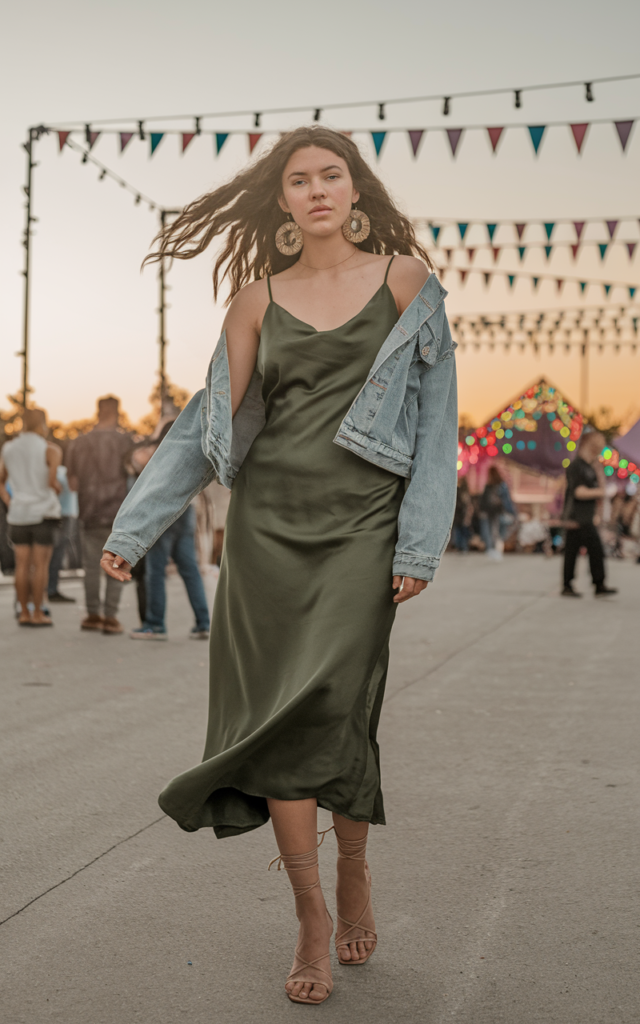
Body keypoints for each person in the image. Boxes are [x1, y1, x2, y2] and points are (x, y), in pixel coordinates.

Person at [100, 127, 458, 1005]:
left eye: (331, 174)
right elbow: (202, 425)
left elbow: (438, 426)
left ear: (355, 190)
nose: (317, 189)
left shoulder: (409, 281)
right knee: (279, 722)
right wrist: (135, 527)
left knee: (335, 702)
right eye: (298, 180)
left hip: (363, 529)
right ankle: (309, 911)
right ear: (285, 204)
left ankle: (356, 868)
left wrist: (420, 541)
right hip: (266, 535)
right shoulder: (255, 300)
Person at [128, 421, 210, 640]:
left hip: (163, 512)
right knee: (190, 569)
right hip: (187, 511)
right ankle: (203, 623)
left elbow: (137, 460)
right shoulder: (193, 450)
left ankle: (155, 625)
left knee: (155, 570)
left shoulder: (161, 451)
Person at [66, 396, 133, 633]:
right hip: (119, 513)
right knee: (119, 564)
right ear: (116, 412)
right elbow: (135, 477)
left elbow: (72, 484)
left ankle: (92, 615)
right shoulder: (126, 441)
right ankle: (110, 618)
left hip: (89, 512)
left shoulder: (79, 443)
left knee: (92, 566)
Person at [0, 408, 62, 626]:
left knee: (22, 565)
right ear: (42, 424)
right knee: (40, 566)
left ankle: (24, 612)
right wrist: (59, 487)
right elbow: (52, 483)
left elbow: (1, 480)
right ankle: (38, 613)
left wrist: (10, 501)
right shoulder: (50, 449)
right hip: (43, 513)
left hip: (18, 514)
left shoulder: (8, 448)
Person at [562, 428, 617, 596]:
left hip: (586, 517)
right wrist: (602, 492)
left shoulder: (590, 466)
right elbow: (579, 492)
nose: (602, 444)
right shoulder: (576, 466)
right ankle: (591, 584)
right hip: (576, 517)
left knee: (580, 551)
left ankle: (574, 585)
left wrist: (599, 470)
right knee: (588, 550)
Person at [47, 464, 79, 602]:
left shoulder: (59, 472)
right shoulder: (61, 473)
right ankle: (51, 590)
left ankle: (50, 588)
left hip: (65, 516)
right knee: (55, 554)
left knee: (56, 554)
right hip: (62, 516)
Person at [479, 465, 516, 560]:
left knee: (492, 531)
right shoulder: (500, 485)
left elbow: (484, 500)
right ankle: (494, 550)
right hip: (495, 512)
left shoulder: (495, 486)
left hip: (494, 512)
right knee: (496, 532)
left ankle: (493, 550)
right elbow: (507, 500)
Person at [452, 477, 473, 551]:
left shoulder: (460, 492)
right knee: (463, 531)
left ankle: (460, 546)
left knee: (460, 531)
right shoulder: (466, 492)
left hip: (460, 515)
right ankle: (463, 547)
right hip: (463, 515)